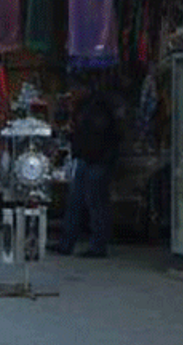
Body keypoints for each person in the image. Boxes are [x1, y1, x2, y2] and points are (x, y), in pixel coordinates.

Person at [52, 88, 121, 258]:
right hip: (90, 158)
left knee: (92, 202)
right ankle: (71, 242)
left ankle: (92, 245)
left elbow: (96, 135)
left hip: (95, 159)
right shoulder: (89, 108)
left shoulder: (95, 110)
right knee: (79, 201)